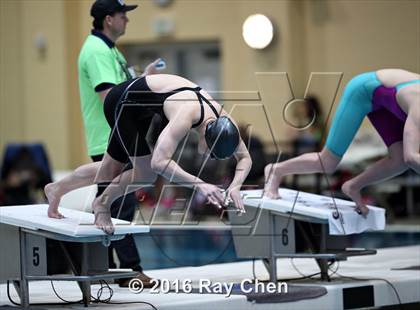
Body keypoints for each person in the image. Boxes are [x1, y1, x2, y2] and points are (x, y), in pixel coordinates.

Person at [45, 74, 252, 234]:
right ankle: (102, 203)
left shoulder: (227, 125)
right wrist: (200, 184)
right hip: (123, 102)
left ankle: (57, 189)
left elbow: (245, 158)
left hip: (142, 105)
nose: (208, 156)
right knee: (146, 173)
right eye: (210, 151)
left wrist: (236, 185)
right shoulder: (185, 114)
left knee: (110, 170)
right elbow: (159, 163)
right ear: (206, 135)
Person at [75, 0, 161, 287]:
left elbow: (122, 89)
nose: (128, 20)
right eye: (123, 15)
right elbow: (110, 98)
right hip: (111, 136)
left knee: (110, 203)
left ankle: (103, 268)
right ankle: (129, 271)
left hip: (116, 134)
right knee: (118, 204)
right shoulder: (97, 51)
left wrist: (143, 79)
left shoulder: (110, 50)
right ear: (109, 19)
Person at [264, 69, 420, 215]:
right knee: (328, 162)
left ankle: (353, 186)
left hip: (386, 102)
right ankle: (276, 169)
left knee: (398, 160)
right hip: (362, 90)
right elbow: (411, 157)